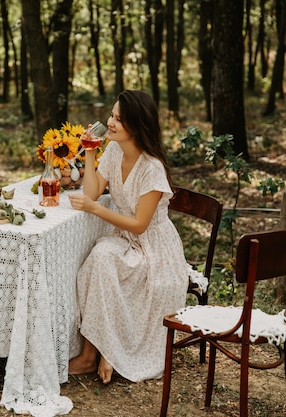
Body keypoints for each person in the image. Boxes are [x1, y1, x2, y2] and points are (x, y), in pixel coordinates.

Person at [68, 90, 187, 384]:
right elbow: (92, 191)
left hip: (155, 251)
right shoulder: (114, 151)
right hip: (127, 242)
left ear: (136, 125)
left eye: (118, 119)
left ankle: (106, 352)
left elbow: (139, 225)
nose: (110, 122)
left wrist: (95, 209)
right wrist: (92, 150)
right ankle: (92, 354)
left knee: (104, 257)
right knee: (98, 257)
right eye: (111, 115)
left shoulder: (152, 168)